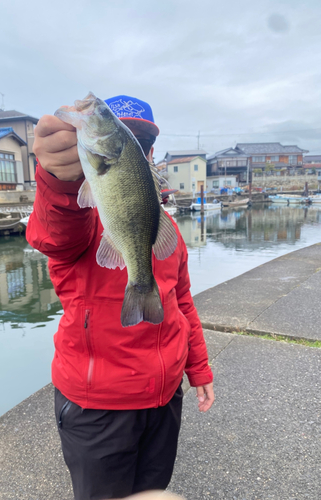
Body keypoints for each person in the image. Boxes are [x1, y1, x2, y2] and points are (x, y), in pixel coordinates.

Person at [26, 94, 214, 500]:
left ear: (149, 153)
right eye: (133, 138)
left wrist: (197, 369)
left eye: (145, 143)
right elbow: (52, 235)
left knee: (151, 491)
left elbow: (183, 304)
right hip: (99, 408)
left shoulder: (168, 229)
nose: (141, 150)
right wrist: (57, 179)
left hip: (164, 399)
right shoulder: (78, 218)